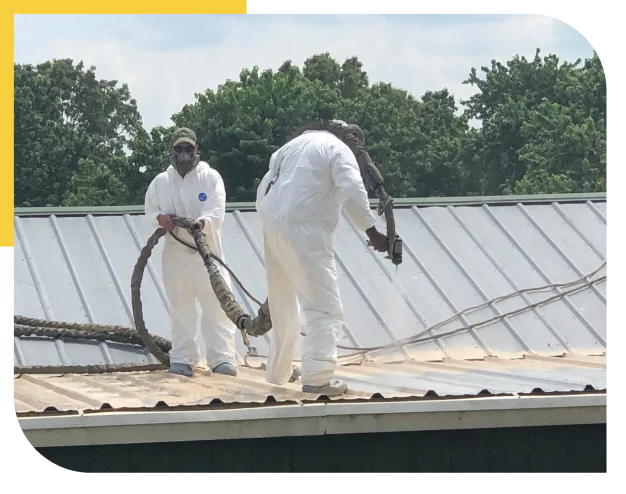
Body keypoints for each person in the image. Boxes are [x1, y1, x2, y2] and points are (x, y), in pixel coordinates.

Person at [255, 124, 389, 396]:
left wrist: (274, 223)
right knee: (325, 309)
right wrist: (372, 232)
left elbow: (263, 191)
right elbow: (352, 188)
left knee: (282, 304)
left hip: (272, 229)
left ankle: (279, 372)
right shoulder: (338, 150)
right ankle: (317, 378)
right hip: (307, 232)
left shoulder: (287, 149)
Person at [144, 127, 238, 378]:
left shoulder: (211, 178)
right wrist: (159, 218)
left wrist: (201, 224)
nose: (184, 154)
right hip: (175, 254)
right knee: (180, 307)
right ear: (172, 151)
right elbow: (149, 210)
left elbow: (216, 212)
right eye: (179, 149)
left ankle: (222, 358)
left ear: (196, 150)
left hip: (207, 254)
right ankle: (184, 358)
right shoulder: (161, 182)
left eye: (188, 148)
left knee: (216, 306)